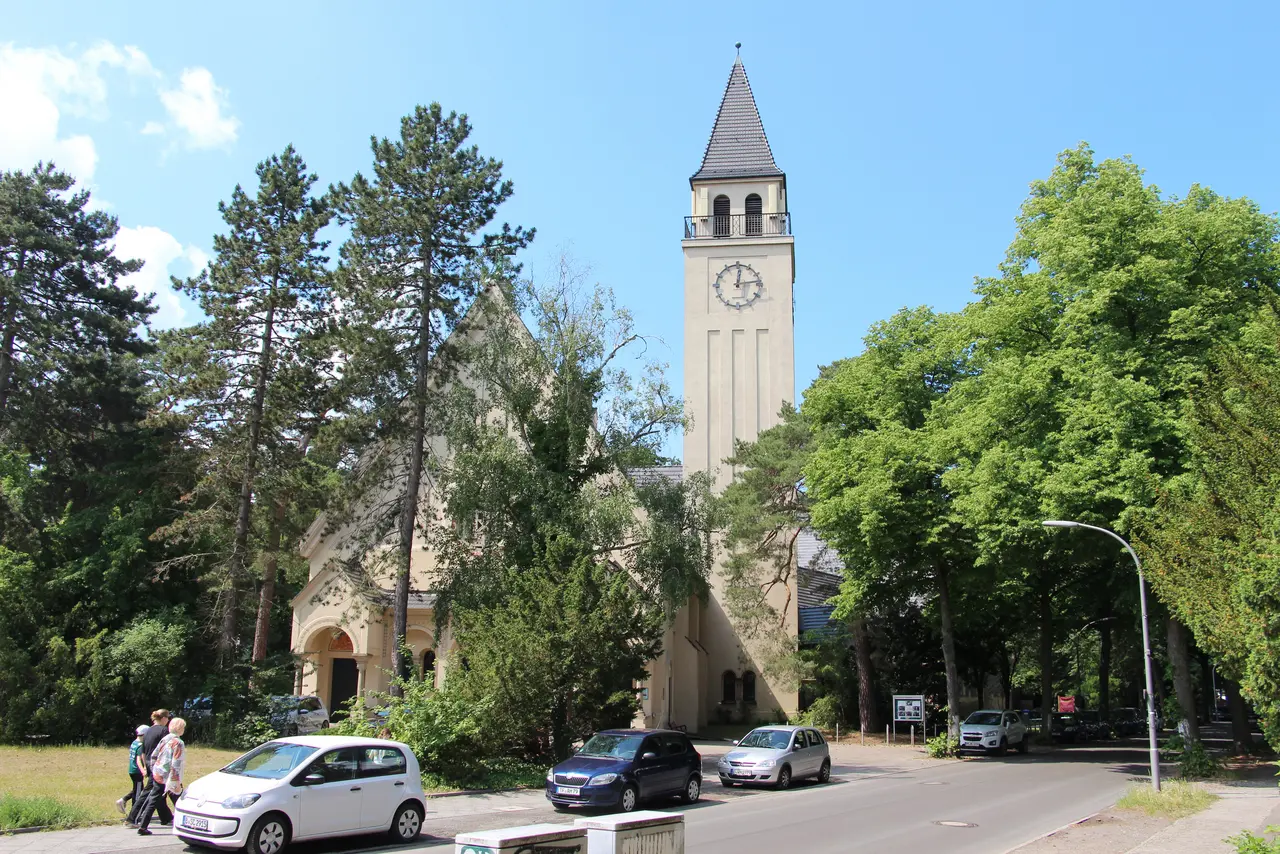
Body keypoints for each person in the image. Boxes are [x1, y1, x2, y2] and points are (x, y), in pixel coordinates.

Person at [137, 717, 186, 836]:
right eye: (183, 727)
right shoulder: (178, 743)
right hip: (168, 776)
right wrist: (175, 780)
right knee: (180, 800)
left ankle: (143, 826)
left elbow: (154, 754)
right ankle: (185, 823)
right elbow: (176, 762)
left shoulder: (165, 739)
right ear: (180, 729)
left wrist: (154, 769)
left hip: (158, 773)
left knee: (153, 799)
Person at [127, 709, 173, 828]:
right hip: (159, 765)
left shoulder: (148, 731)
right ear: (163, 718)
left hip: (149, 763)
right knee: (149, 792)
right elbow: (167, 750)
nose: (168, 720)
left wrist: (145, 766)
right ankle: (133, 818)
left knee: (158, 791)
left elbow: (143, 751)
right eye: (167, 718)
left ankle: (166, 818)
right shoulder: (164, 731)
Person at [116, 724, 148, 818]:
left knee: (138, 788)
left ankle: (123, 800)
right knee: (138, 794)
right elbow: (140, 759)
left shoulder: (134, 742)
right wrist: (144, 769)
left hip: (131, 770)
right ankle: (134, 814)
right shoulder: (141, 745)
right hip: (137, 771)